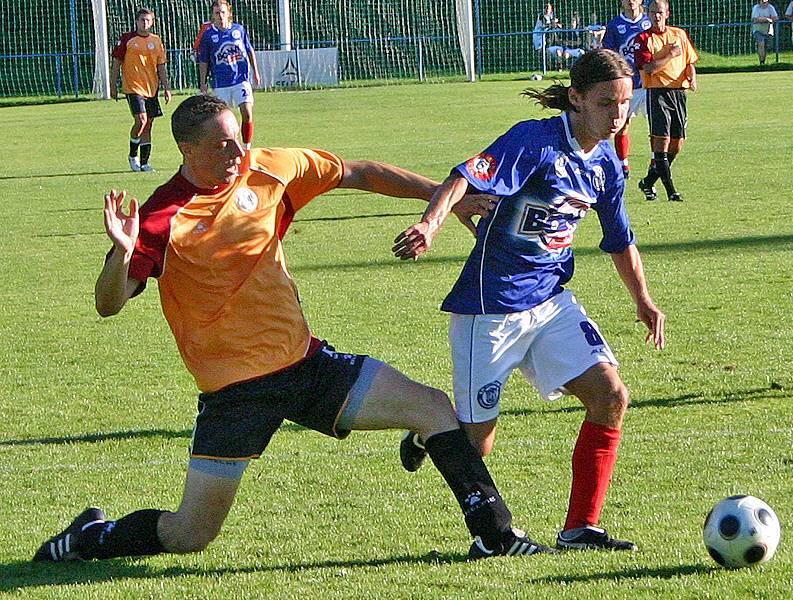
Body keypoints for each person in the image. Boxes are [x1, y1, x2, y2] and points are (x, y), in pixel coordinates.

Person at [32, 95, 555, 565]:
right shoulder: (159, 218)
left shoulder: (269, 169)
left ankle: (496, 535)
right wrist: (120, 257)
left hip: (306, 367)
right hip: (234, 394)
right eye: (221, 144)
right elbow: (109, 304)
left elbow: (361, 171)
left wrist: (448, 199)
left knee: (433, 408)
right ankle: (91, 537)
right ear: (187, 150)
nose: (237, 150)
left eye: (239, 136)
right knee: (189, 534)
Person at [393, 49, 665, 552]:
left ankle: (580, 527)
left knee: (611, 397)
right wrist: (430, 225)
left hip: (550, 303)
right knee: (477, 443)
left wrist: (643, 300)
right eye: (607, 103)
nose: (618, 115)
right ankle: (433, 436)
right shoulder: (534, 141)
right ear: (577, 97)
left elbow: (619, 238)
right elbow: (462, 178)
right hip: (489, 308)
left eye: (626, 103)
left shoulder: (606, 162)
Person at [633, 0, 698, 203]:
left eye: (660, 12)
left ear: (667, 13)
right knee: (661, 142)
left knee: (677, 145)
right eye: (653, 13)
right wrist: (670, 54)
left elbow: (689, 60)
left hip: (678, 93)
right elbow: (649, 68)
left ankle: (648, 182)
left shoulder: (679, 34)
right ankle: (671, 191)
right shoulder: (643, 38)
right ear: (648, 14)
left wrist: (692, 76)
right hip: (657, 93)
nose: (656, 16)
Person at [110, 7, 172, 173]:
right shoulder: (127, 39)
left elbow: (161, 66)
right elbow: (116, 62)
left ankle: (145, 163)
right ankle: (132, 156)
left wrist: (166, 88)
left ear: (152, 22)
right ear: (136, 22)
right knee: (141, 120)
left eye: (147, 20)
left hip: (151, 89)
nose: (144, 23)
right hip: (133, 88)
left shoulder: (156, 41)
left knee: (149, 124)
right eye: (141, 20)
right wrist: (112, 85)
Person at [197, 0, 261, 149]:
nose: (220, 15)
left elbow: (249, 50)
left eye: (223, 12)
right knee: (223, 119)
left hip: (241, 79)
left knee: (247, 112)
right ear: (213, 15)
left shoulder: (238, 30)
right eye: (217, 13)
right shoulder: (208, 35)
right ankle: (229, 148)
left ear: (229, 13)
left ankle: (247, 147)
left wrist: (255, 71)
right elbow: (203, 60)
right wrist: (203, 81)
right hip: (221, 83)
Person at [602, 0, 652, 179]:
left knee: (656, 126)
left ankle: (656, 163)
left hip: (648, 84)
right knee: (622, 126)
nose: (631, 1)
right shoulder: (615, 25)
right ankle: (623, 165)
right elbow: (608, 54)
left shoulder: (650, 22)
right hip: (626, 86)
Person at [751, 0, 779, 67]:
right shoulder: (756, 8)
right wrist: (767, 19)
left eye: (766, 2)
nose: (764, 3)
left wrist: (765, 19)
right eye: (763, 2)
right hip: (758, 30)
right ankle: (761, 63)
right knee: (761, 44)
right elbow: (755, 19)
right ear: (759, 1)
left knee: (766, 47)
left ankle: (763, 62)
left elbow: (775, 18)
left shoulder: (771, 7)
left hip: (768, 31)